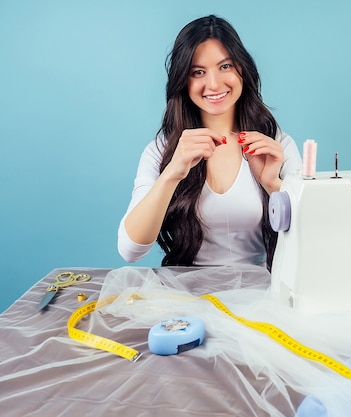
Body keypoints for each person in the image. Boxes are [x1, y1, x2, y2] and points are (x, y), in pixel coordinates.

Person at [118, 15, 302, 269]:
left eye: (225, 66)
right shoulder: (162, 150)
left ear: (242, 70)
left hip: (259, 296)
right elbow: (130, 250)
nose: (213, 84)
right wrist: (172, 173)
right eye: (198, 72)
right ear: (183, 80)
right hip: (186, 297)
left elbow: (315, 239)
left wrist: (274, 185)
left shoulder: (276, 146)